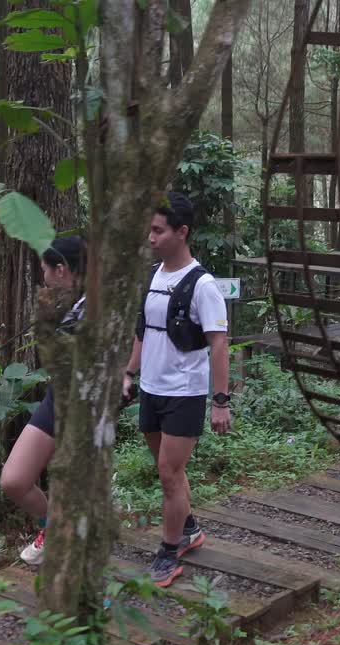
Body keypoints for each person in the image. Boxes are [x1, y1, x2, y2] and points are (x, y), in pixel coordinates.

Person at [122, 192, 233, 587]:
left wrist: (220, 401)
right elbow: (144, 330)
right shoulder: (154, 276)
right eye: (149, 229)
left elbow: (219, 343)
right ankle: (189, 527)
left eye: (158, 230)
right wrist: (129, 374)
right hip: (151, 387)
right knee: (168, 471)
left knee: (170, 473)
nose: (150, 237)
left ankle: (169, 553)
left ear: (182, 232)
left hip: (184, 392)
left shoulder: (202, 285)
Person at [0, 235, 87, 565]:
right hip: (59, 399)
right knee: (14, 480)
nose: (44, 277)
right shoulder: (73, 302)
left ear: (61, 270)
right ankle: (54, 529)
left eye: (45, 270)